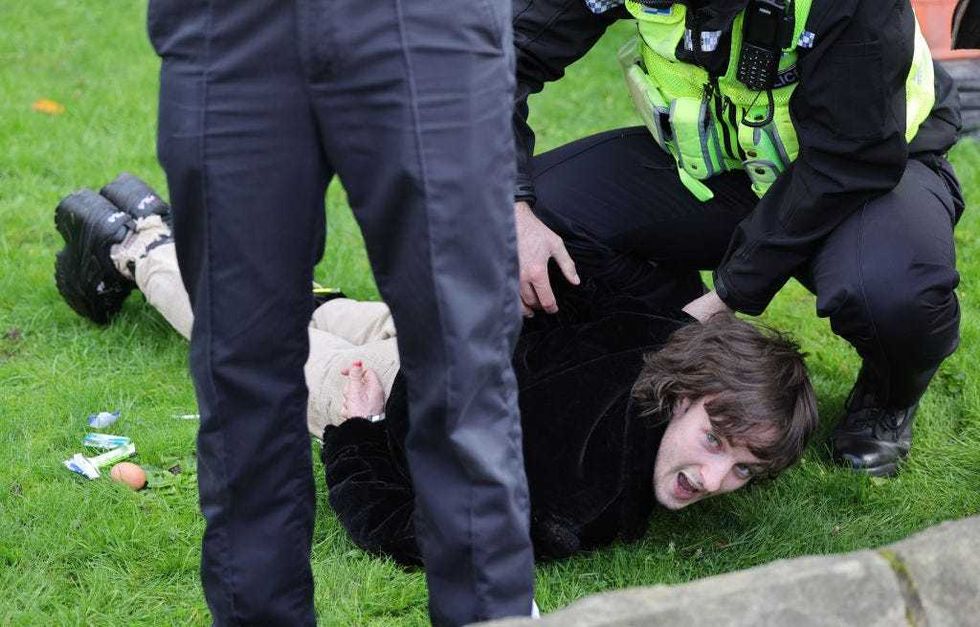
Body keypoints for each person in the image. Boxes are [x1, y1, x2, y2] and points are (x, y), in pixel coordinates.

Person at [53, 176, 819, 567]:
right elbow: (411, 531)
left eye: (744, 471)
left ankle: (156, 222)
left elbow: (409, 528)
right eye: (717, 441)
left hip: (403, 365)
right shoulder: (584, 498)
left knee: (292, 313)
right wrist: (358, 429)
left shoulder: (660, 342)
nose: (715, 481)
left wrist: (359, 432)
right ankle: (138, 241)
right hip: (388, 377)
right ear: (687, 391)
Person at [509, 0, 965, 478]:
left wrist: (730, 290)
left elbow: (850, 158)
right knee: (539, 215)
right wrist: (515, 205)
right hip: (722, 169)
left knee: (893, 294)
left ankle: (885, 398)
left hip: (867, 175)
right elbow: (506, 55)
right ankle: (666, 338)